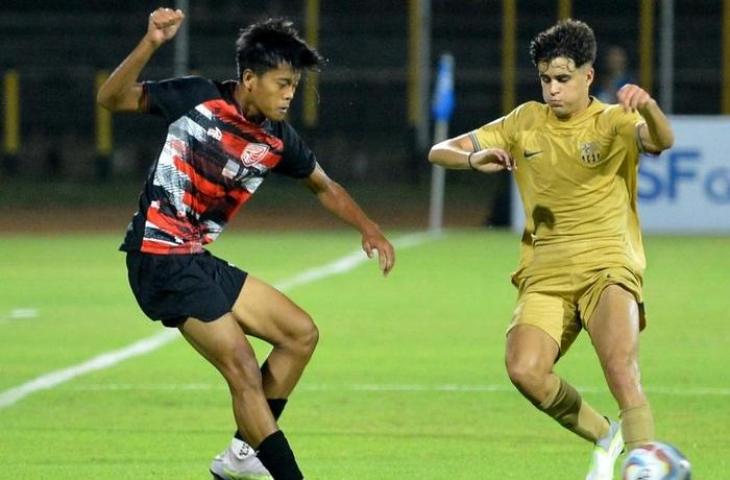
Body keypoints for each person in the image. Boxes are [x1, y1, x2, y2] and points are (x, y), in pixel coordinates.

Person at [97, 8, 395, 480]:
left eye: (294, 85)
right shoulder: (196, 96)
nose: (290, 93)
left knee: (300, 334)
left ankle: (241, 455)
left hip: (194, 257)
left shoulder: (277, 138)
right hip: (157, 256)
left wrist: (369, 228)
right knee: (241, 367)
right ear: (249, 78)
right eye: (281, 83)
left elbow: (324, 186)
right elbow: (111, 99)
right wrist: (151, 42)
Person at [428, 19, 673, 480]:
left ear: (588, 76)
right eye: (546, 79)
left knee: (620, 366)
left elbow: (659, 140)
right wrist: (472, 157)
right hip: (546, 273)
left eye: (563, 79)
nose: (553, 89)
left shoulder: (613, 122)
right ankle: (605, 434)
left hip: (608, 265)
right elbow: (439, 149)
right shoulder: (525, 120)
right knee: (524, 370)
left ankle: (647, 464)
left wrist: (651, 109)